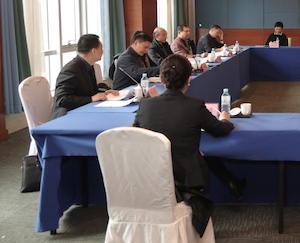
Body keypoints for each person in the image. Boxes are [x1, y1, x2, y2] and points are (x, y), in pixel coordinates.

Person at [133, 54, 246, 204]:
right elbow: (220, 130)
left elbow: (135, 134)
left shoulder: (145, 104)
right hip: (186, 179)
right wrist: (225, 118)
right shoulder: (194, 106)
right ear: (189, 80)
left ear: (162, 80)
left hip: (151, 176)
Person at [51, 34, 119, 119]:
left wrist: (104, 92)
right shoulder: (70, 70)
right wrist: (91, 98)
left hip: (83, 111)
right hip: (66, 116)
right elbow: (62, 99)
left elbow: (86, 91)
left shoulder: (88, 65)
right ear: (94, 51)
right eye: (101, 48)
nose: (103, 51)